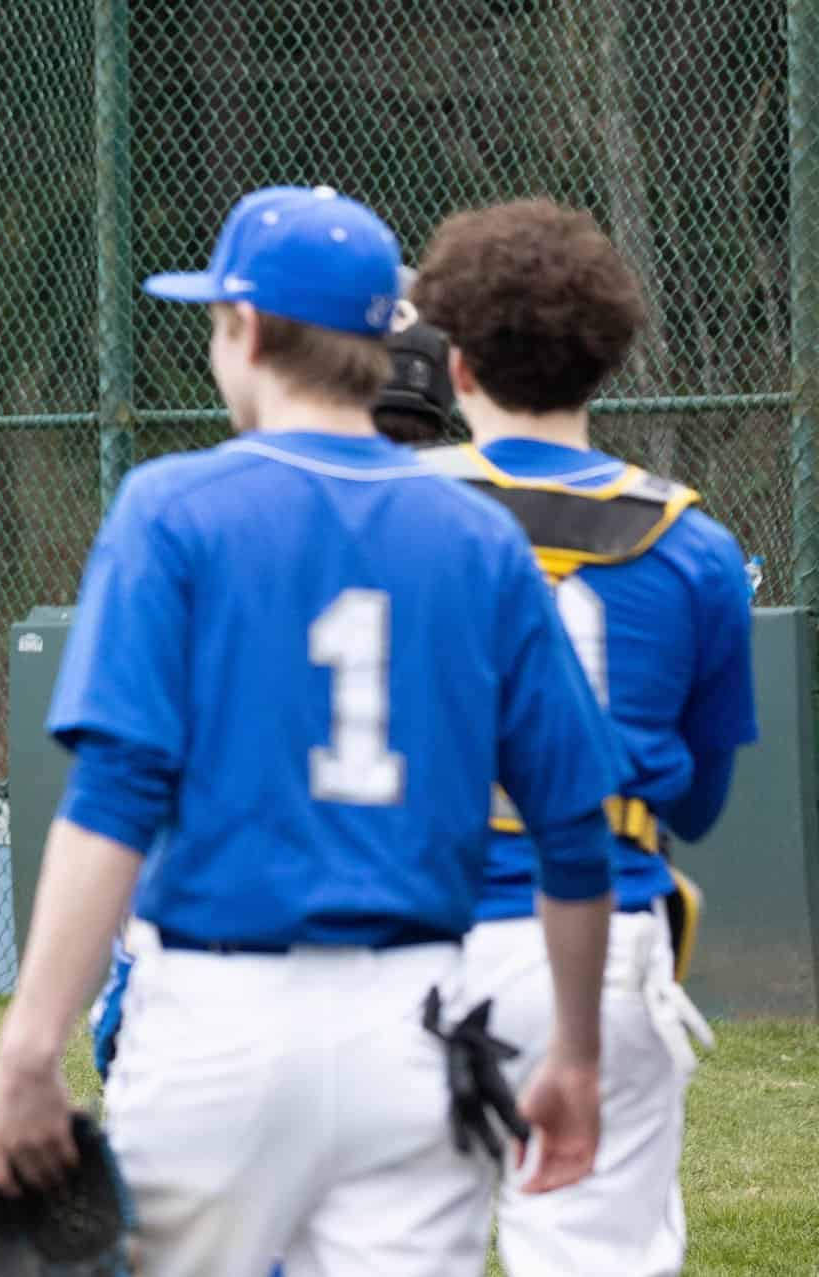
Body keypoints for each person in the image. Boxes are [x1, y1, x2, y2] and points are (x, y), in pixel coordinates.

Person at [0, 186, 625, 1276]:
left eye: (220, 318)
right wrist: (577, 1048)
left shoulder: (170, 507)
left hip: (216, 1022)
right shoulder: (480, 538)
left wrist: (31, 1041)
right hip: (416, 1023)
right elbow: (572, 828)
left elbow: (116, 798)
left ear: (254, 330)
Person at [407, 199, 758, 1277]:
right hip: (600, 936)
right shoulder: (694, 548)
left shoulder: (389, 514)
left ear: (454, 363)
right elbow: (696, 803)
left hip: (407, 928)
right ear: (603, 362)